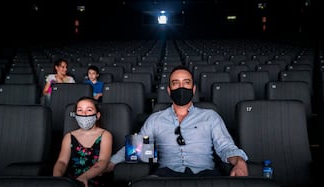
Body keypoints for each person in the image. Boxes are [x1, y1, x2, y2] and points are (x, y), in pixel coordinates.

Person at [105, 65, 248, 177]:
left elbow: (225, 147)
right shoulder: (155, 119)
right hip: (165, 175)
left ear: (193, 89)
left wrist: (239, 162)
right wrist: (111, 163)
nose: (181, 87)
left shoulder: (210, 116)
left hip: (205, 175)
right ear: (169, 90)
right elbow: (137, 148)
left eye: (186, 83)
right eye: (175, 83)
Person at [53, 96, 113, 187]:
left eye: (89, 110)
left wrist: (84, 177)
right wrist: (57, 178)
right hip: (72, 182)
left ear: (97, 115)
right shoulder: (69, 136)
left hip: (96, 181)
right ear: (75, 114)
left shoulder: (105, 135)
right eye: (80, 110)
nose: (84, 114)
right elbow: (62, 162)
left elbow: (103, 161)